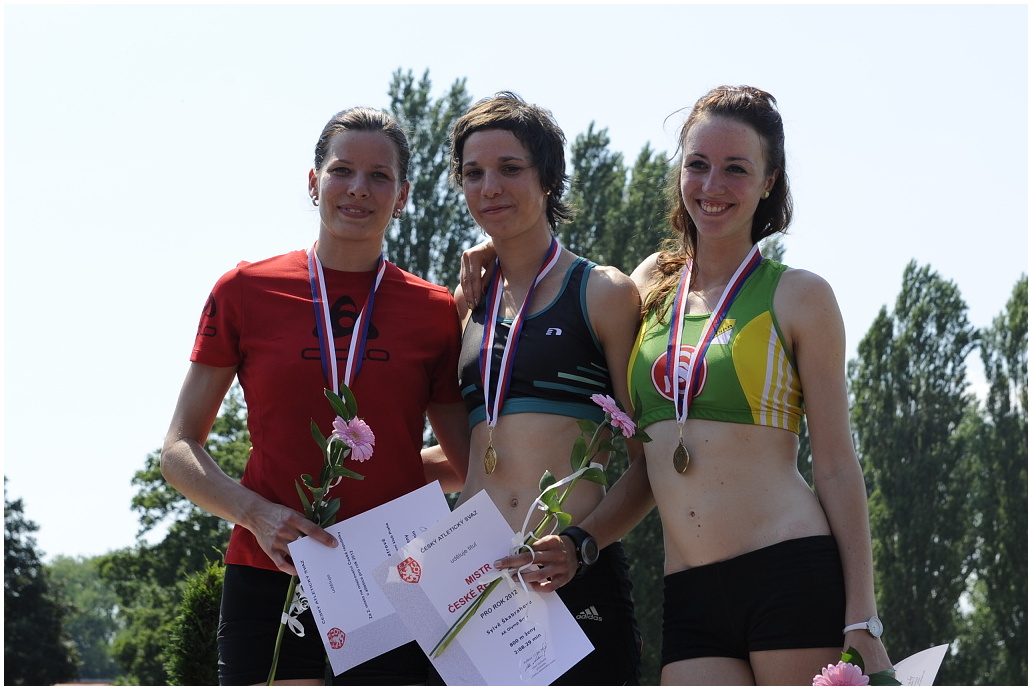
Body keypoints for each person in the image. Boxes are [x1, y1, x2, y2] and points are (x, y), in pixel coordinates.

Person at [467, 85, 894, 685]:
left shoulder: (801, 295)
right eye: (698, 164)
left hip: (789, 569)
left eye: (736, 168)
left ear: (769, 181)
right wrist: (495, 251)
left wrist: (862, 619)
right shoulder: (648, 285)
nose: (712, 185)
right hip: (690, 592)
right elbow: (551, 301)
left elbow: (837, 468)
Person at [160, 107, 470, 686]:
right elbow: (178, 450)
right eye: (342, 170)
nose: (358, 188)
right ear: (313, 182)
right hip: (272, 566)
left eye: (379, 176)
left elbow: (468, 463)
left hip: (399, 574)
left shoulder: (433, 313)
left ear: (403, 196)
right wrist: (255, 513)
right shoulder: (245, 290)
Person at [447, 92, 644, 685]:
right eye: (474, 173)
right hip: (478, 585)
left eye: (510, 168)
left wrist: (582, 544)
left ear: (550, 178)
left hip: (573, 577)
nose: (490, 187)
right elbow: (470, 453)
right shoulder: (466, 304)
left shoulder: (602, 292)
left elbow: (648, 464)